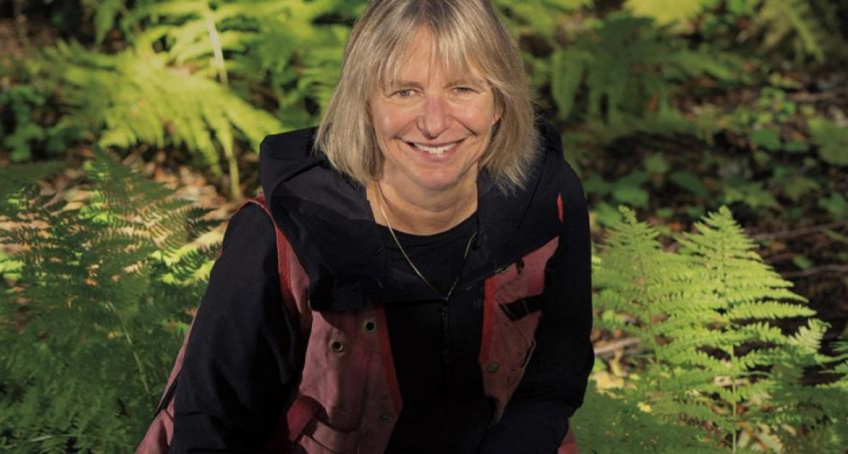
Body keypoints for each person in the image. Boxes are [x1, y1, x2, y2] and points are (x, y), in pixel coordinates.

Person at [168, 0, 593, 452]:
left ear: (499, 105)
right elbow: (209, 430)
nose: (433, 123)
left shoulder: (547, 200)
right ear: (365, 104)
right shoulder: (282, 237)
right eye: (404, 91)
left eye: (463, 89)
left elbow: (553, 383)